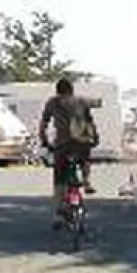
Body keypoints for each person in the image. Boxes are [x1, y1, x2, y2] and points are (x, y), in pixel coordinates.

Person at [38, 78, 99, 209]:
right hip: (81, 141)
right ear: (72, 90)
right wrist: (95, 137)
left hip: (62, 143)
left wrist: (44, 140)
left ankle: (59, 201)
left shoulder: (52, 103)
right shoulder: (81, 101)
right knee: (85, 158)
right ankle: (86, 181)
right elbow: (90, 121)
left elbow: (44, 124)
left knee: (59, 173)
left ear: (57, 91)